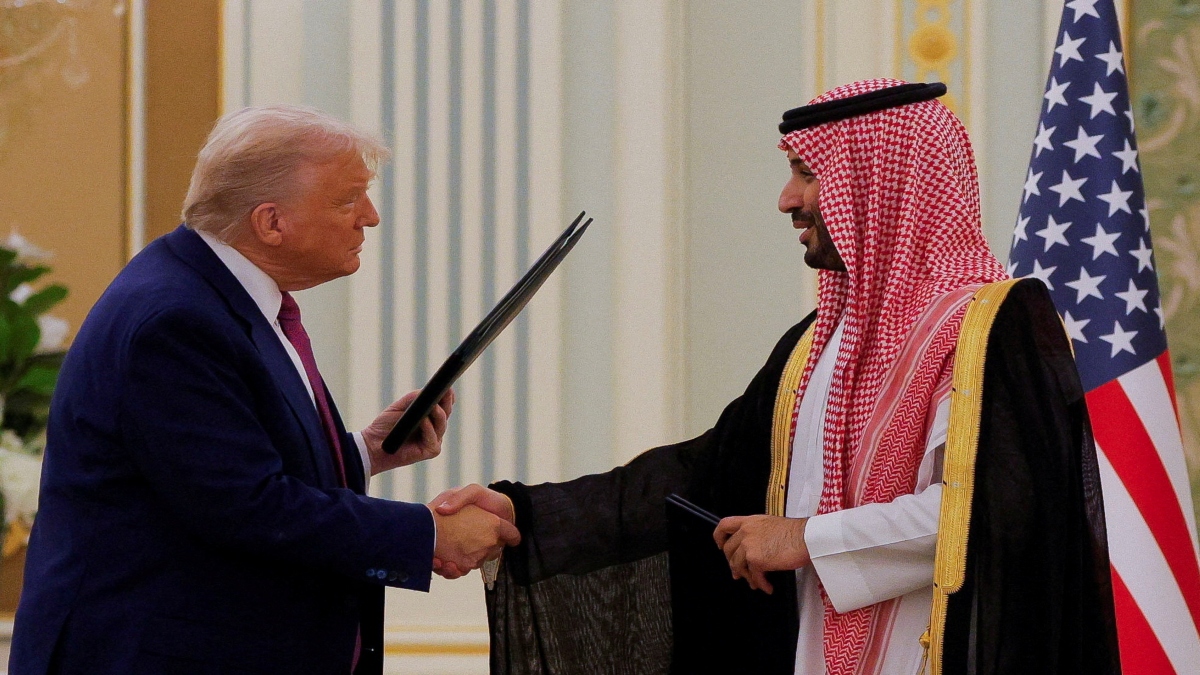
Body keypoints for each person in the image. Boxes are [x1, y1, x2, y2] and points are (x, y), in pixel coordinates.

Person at [436, 80, 1120, 674]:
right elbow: (704, 471)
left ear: (879, 180)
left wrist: (805, 537)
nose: (787, 198)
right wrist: (527, 514)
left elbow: (1004, 511)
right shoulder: (816, 345)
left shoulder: (992, 329)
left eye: (806, 171)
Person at [10, 105, 520, 675]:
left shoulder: (217, 294)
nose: (370, 218)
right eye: (348, 199)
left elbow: (217, 469)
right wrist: (425, 534)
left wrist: (364, 451)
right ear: (271, 222)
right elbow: (246, 507)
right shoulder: (175, 322)